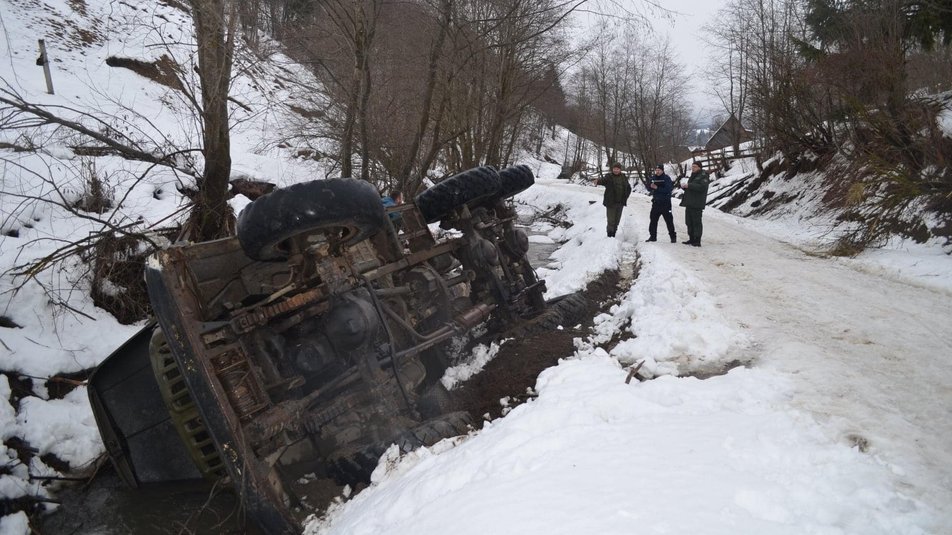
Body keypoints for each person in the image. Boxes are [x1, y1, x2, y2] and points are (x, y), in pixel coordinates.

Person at [591, 162, 632, 237]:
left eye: (617, 169)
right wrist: (598, 181)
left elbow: (628, 188)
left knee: (617, 221)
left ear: (620, 169)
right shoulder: (609, 176)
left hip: (620, 203)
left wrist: (625, 197)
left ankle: (614, 234)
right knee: (611, 221)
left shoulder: (623, 177)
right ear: (612, 169)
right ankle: (609, 236)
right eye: (614, 169)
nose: (616, 170)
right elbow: (603, 181)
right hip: (611, 203)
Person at [679, 161, 711, 247]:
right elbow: (691, 187)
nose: (693, 168)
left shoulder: (703, 176)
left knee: (696, 222)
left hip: (697, 203)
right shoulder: (693, 176)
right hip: (690, 202)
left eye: (695, 166)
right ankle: (691, 238)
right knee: (689, 221)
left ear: (699, 167)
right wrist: (685, 187)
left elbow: (702, 187)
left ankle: (697, 240)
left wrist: (689, 186)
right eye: (692, 166)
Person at [646, 164, 677, 243]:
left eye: (659, 170)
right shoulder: (653, 178)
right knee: (653, 220)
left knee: (669, 221)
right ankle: (653, 236)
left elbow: (668, 189)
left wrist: (657, 188)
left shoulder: (666, 178)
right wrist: (650, 186)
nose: (657, 172)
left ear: (662, 170)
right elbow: (648, 187)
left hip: (665, 203)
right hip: (656, 203)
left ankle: (673, 237)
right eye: (656, 170)